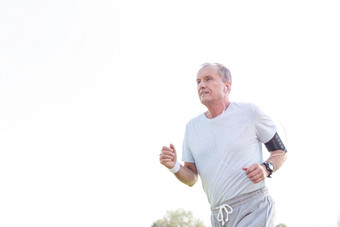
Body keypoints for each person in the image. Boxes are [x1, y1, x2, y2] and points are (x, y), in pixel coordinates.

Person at [159, 63, 288, 227]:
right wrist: (174, 166)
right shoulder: (192, 128)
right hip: (219, 215)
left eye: (208, 79)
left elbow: (280, 151)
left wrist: (266, 168)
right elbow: (191, 178)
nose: (202, 85)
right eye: (198, 81)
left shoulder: (250, 112)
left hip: (254, 207)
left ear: (227, 86)